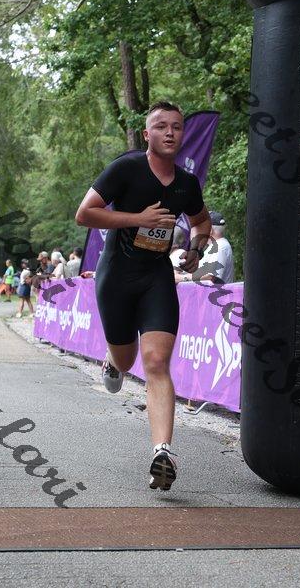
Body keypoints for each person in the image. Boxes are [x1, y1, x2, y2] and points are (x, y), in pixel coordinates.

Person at [75, 101, 211, 491]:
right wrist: (139, 219)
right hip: (117, 276)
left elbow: (201, 221)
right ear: (147, 134)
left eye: (177, 127)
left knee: (156, 362)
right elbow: (85, 214)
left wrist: (196, 248)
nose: (170, 132)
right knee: (126, 358)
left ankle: (162, 452)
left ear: (183, 135)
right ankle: (113, 361)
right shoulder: (127, 168)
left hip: (156, 278)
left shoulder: (187, 183)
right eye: (161, 126)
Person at [196, 211, 234, 284]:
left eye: (201, 227)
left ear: (210, 230)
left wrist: (183, 278)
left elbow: (210, 277)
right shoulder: (217, 245)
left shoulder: (220, 247)